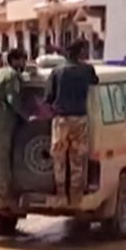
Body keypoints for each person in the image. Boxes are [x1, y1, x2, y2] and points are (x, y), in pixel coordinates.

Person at [45, 39, 99, 207]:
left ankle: (60, 194)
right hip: (80, 118)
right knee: (77, 157)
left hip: (61, 120)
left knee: (59, 157)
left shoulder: (57, 72)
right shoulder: (87, 70)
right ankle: (75, 197)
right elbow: (95, 81)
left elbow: (48, 98)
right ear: (80, 53)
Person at [0, 49, 29, 207]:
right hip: (7, 119)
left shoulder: (2, 73)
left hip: (0, 119)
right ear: (15, 60)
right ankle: (4, 193)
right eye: (23, 60)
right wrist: (26, 116)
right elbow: (12, 98)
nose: (24, 63)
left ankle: (2, 190)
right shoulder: (13, 75)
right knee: (4, 157)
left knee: (3, 156)